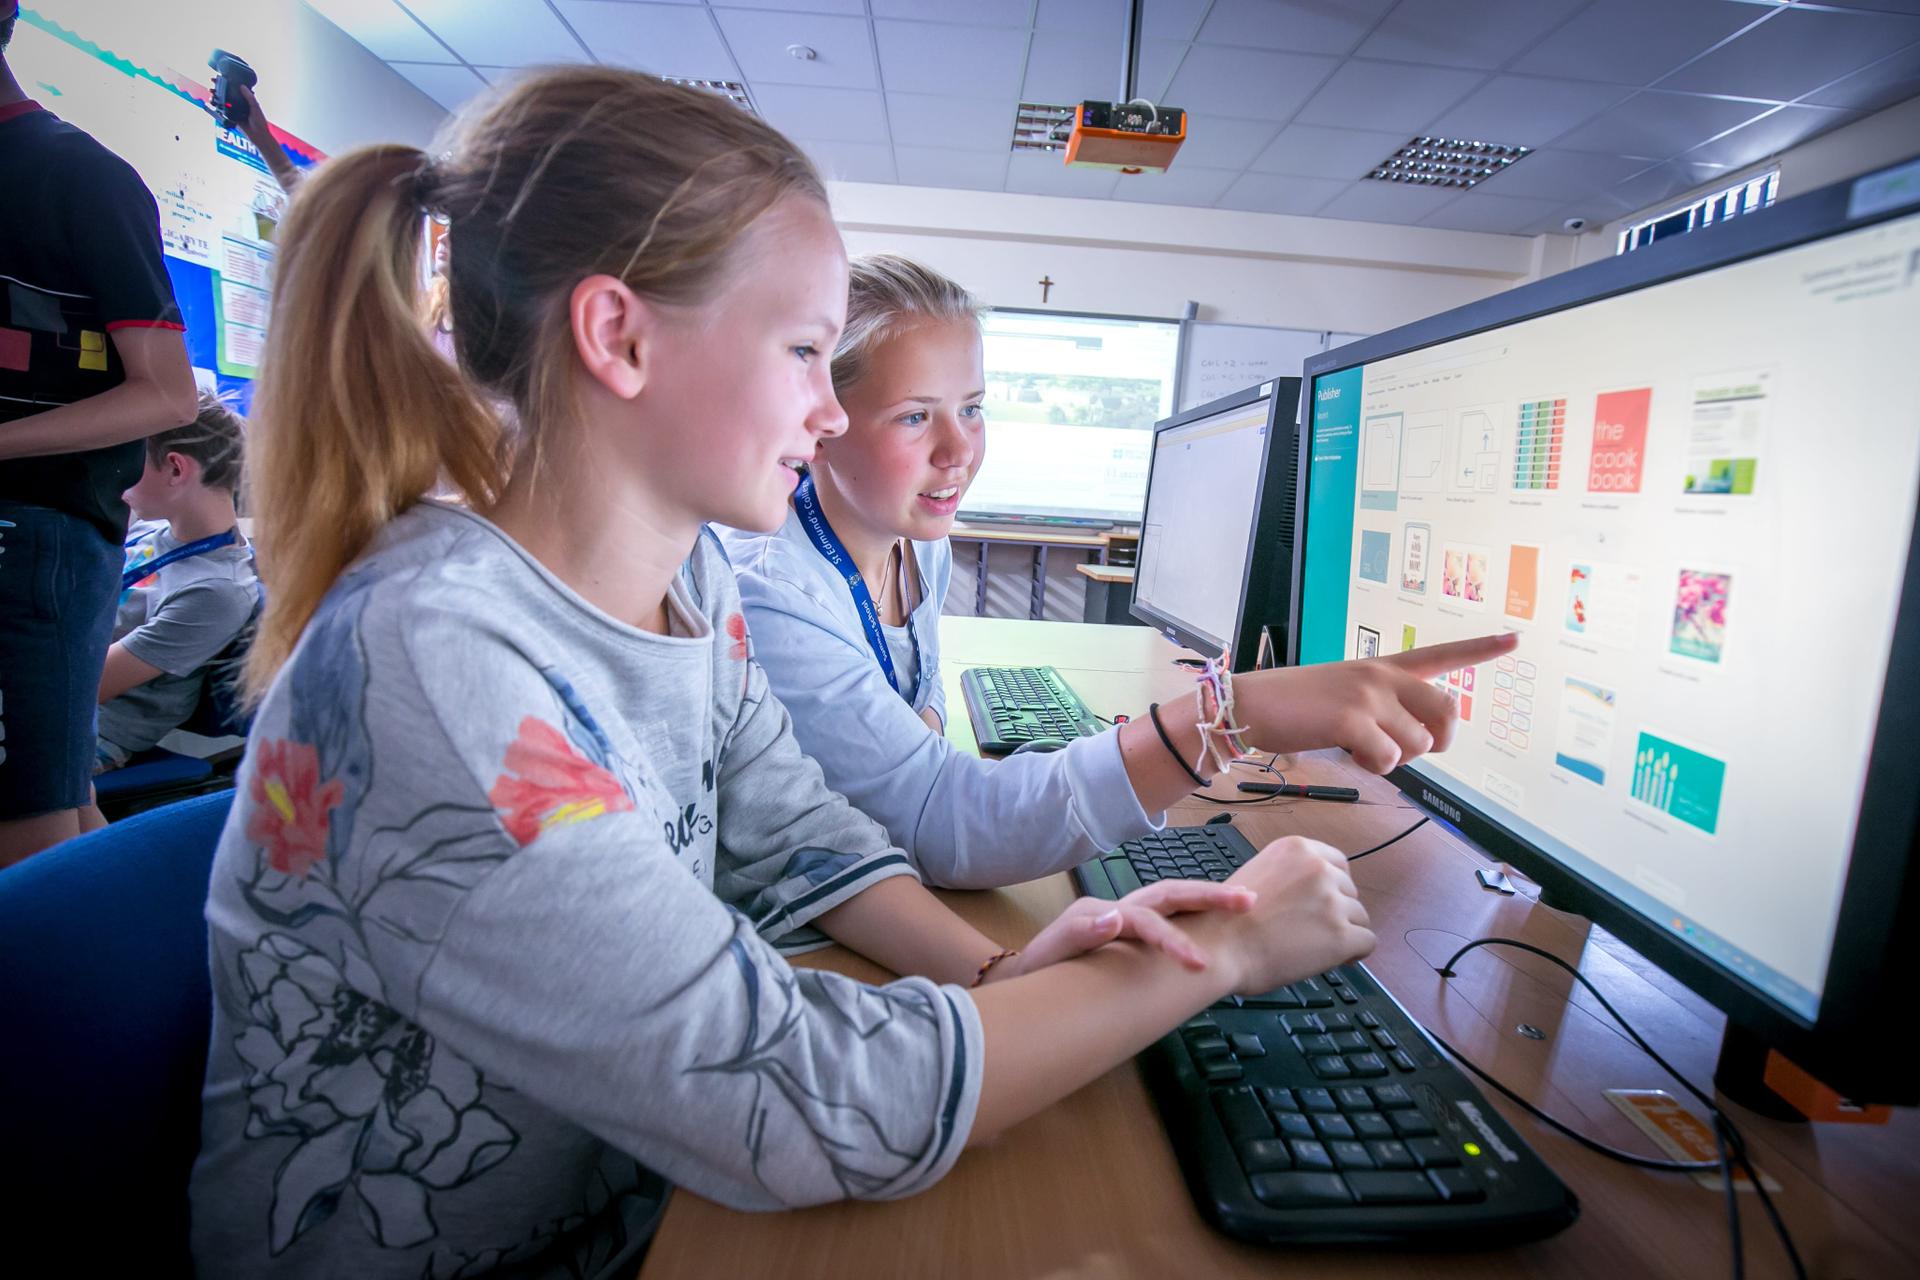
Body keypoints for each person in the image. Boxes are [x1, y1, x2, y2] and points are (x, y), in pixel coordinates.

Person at [190, 68, 1379, 1277]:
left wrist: (1000, 970)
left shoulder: (691, 583)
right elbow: (795, 1097)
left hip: (639, 1201)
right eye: (808, 349)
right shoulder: (439, 660)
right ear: (620, 335)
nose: (827, 409)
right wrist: (1220, 953)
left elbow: (802, 835)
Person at [722, 254, 1516, 889]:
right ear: (822, 424)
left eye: (972, 407)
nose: (958, 450)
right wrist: (1228, 715)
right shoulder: (772, 592)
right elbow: (945, 829)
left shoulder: (917, 536)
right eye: (913, 416)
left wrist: (918, 743)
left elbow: (920, 718)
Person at [0, 0, 198, 866]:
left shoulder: (78, 175)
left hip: (34, 534)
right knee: (60, 807)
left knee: (26, 833)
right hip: (38, 544)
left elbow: (168, 394)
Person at [90, 392, 258, 783]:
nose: (116, 471)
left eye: (129, 459)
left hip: (89, 725)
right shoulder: (150, 531)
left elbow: (83, 687)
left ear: (176, 470)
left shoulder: (217, 591)